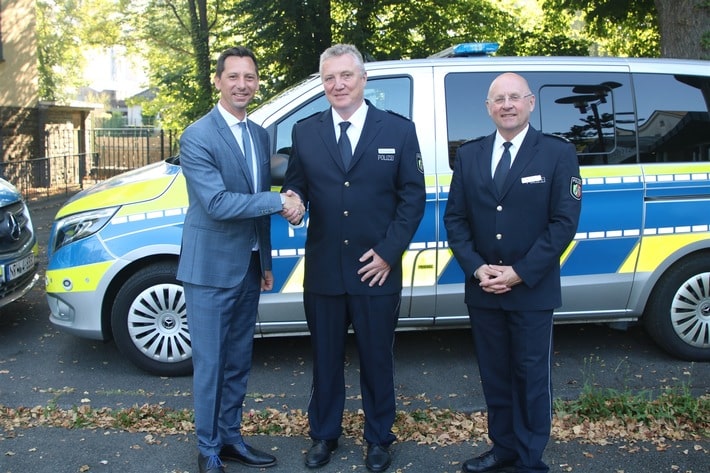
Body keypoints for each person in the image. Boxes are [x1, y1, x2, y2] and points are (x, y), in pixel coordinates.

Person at [282, 44, 426, 473]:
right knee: (325, 360)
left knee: (377, 360)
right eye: (329, 78)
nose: (338, 84)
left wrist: (388, 253)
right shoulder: (306, 132)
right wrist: (294, 201)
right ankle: (324, 434)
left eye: (346, 75)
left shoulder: (398, 130)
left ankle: (379, 437)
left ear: (363, 79)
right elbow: (296, 185)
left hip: (376, 271)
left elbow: (412, 198)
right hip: (324, 269)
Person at [443, 72, 582, 473]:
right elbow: (455, 219)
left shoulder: (556, 153)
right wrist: (476, 268)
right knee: (495, 376)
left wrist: (520, 272)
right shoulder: (470, 155)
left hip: (531, 288)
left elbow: (563, 222)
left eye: (514, 97)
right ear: (488, 108)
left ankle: (529, 459)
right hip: (484, 288)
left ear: (530, 103)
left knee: (531, 377)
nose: (507, 105)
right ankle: (503, 448)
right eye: (498, 99)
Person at [176, 46, 303, 473]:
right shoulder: (198, 135)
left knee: (237, 362)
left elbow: (255, 203)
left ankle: (231, 438)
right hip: (209, 270)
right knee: (211, 365)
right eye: (233, 76)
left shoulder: (259, 134)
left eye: (249, 77)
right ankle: (208, 448)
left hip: (248, 267)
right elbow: (216, 203)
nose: (242, 85)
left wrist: (265, 261)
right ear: (218, 81)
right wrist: (278, 200)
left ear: (257, 82)